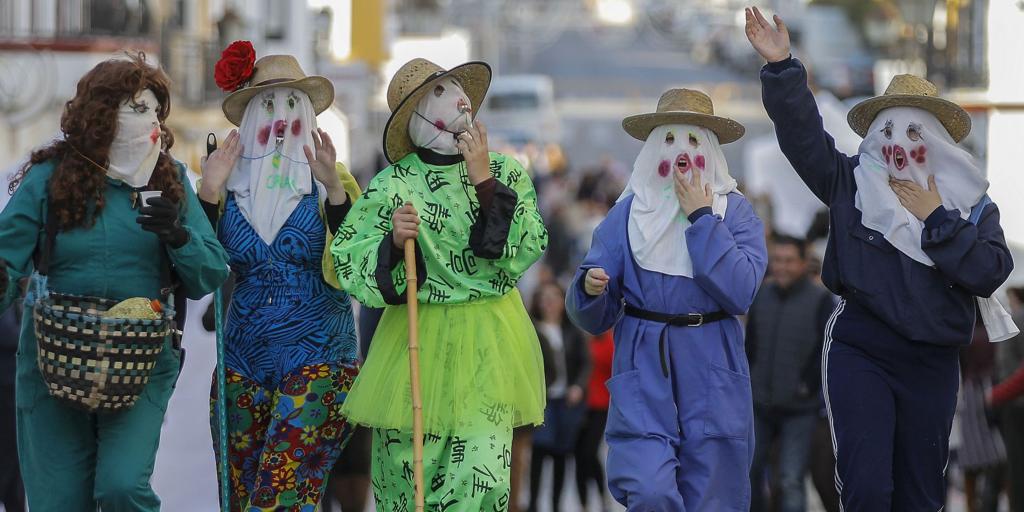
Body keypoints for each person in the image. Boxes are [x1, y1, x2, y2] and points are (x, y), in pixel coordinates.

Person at [745, 7, 1015, 510]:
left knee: (919, 497)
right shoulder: (850, 183)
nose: (897, 146)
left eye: (914, 133)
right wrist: (782, 67)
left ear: (935, 141)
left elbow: (989, 271)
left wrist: (936, 218)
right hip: (861, 349)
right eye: (887, 131)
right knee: (867, 489)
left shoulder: (972, 205)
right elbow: (804, 140)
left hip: (932, 361)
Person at [0, 54, 229, 511]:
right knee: (59, 501)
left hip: (140, 361)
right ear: (99, 114)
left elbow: (210, 273)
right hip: (52, 358)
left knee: (122, 487)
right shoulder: (49, 177)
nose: (148, 121)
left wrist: (178, 235)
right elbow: (7, 261)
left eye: (154, 110)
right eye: (135, 107)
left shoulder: (170, 179)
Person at [330, 58, 548, 511]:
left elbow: (528, 244)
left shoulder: (506, 172)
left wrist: (485, 182)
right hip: (415, 342)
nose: (460, 101)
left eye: (455, 87)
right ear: (416, 117)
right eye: (439, 92)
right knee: (409, 476)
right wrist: (393, 242)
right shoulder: (393, 184)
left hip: (488, 343)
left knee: (479, 477)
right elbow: (349, 258)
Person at [566, 88, 768, 510]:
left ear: (710, 150)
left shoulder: (734, 212)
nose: (681, 153)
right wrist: (590, 289)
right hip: (644, 359)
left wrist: (701, 218)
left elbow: (742, 289)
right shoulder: (627, 214)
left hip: (711, 358)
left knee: (712, 493)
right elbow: (592, 309)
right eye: (670, 139)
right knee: (649, 488)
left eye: (693, 140)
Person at [197, 42, 362, 511]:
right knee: (242, 498)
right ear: (250, 117)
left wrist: (333, 189)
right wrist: (209, 191)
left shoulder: (333, 181)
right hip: (242, 361)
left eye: (293, 103)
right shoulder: (224, 182)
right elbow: (193, 264)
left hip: (319, 356)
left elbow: (356, 264)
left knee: (278, 501)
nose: (281, 118)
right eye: (267, 105)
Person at [746, 235, 835, 512]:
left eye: (788, 261)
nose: (781, 267)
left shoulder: (821, 300)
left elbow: (825, 349)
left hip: (800, 408)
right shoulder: (760, 296)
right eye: (777, 260)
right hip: (760, 404)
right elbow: (751, 345)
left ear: (803, 263)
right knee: (749, 470)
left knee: (790, 478)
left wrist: (807, 386)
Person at [528, 282, 591, 512]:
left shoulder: (572, 331)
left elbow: (585, 363)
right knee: (539, 451)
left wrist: (578, 386)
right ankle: (533, 504)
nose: (549, 302)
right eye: (544, 297)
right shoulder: (531, 330)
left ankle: (556, 505)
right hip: (542, 402)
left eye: (554, 297)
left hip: (566, 401)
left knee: (561, 453)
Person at [992, 287, 1024, 511]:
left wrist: (996, 395)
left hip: (1015, 403)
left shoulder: (1019, 318)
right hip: (1012, 399)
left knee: (1017, 467)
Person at [574, 328, 613, 511]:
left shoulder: (608, 341)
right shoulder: (580, 339)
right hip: (577, 406)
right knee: (578, 455)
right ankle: (583, 503)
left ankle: (602, 495)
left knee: (589, 453)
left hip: (600, 405)